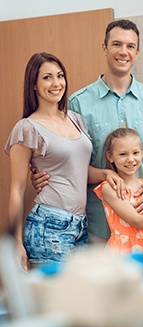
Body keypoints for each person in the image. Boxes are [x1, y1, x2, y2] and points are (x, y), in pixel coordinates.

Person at [31, 19, 143, 244]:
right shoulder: (78, 104)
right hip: (98, 227)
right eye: (117, 44)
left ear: (137, 52)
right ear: (104, 47)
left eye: (130, 46)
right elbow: (71, 166)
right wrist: (42, 172)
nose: (123, 52)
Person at [4, 52, 92, 270]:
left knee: (81, 299)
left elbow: (79, 171)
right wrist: (15, 241)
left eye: (60, 76)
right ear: (33, 84)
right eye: (47, 77)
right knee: (55, 300)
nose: (56, 83)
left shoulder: (76, 120)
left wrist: (108, 174)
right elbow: (16, 189)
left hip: (80, 225)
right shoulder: (27, 128)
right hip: (48, 226)